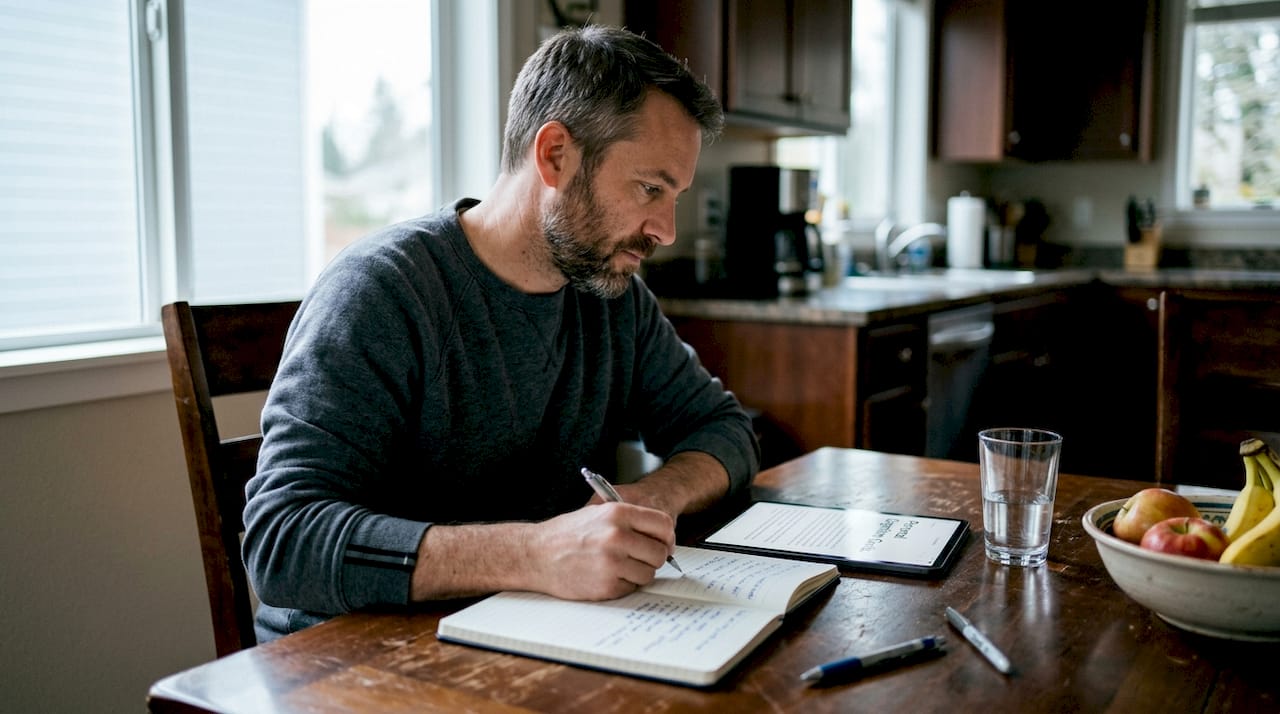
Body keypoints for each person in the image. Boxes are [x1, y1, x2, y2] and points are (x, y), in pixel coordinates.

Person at [243, 24, 760, 643]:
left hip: (525, 636)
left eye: (674, 195)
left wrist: (655, 496)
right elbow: (281, 542)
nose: (666, 230)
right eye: (650, 188)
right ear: (555, 156)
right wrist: (536, 553)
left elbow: (726, 430)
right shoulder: (381, 292)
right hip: (349, 661)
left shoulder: (609, 296)